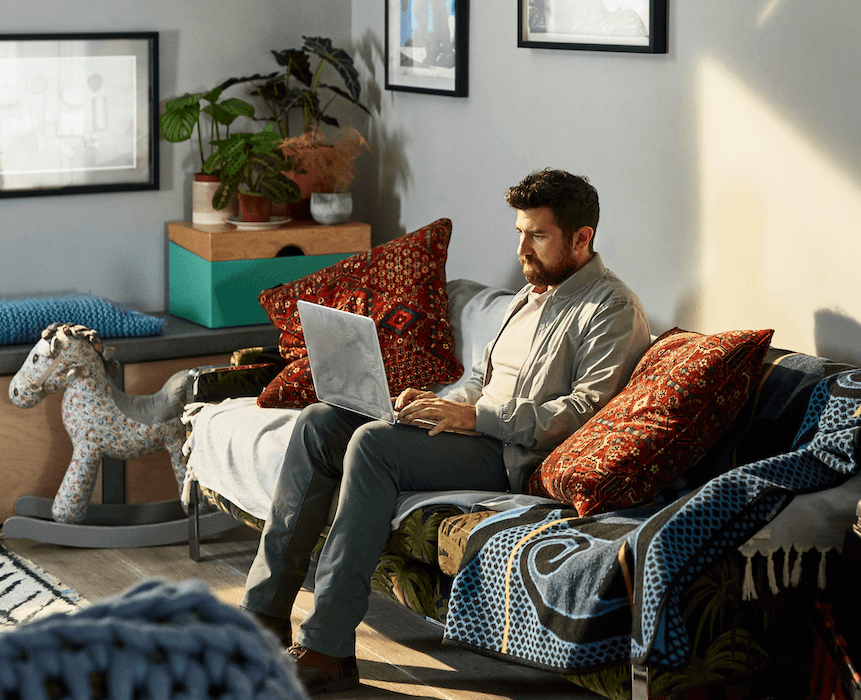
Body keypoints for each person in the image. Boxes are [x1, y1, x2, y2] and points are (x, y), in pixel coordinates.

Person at [241, 168, 651, 693]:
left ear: (582, 238)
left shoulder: (611, 308)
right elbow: (480, 379)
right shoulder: (530, 296)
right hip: (473, 429)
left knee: (372, 447)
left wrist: (473, 418)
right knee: (321, 422)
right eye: (520, 232)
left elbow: (581, 414)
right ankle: (261, 617)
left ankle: (327, 645)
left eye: (537, 235)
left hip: (512, 455)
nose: (522, 248)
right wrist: (433, 403)